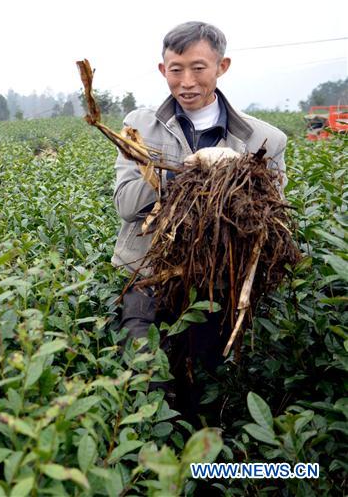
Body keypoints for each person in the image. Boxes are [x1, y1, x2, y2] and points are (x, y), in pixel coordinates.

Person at [113, 21, 287, 411]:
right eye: (175, 69)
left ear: (222, 66)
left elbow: (268, 229)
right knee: (144, 381)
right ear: (163, 70)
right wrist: (185, 171)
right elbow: (126, 204)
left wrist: (235, 176)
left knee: (202, 388)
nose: (186, 81)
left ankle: (198, 465)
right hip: (146, 277)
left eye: (198, 68)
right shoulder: (139, 127)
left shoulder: (264, 140)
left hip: (215, 286)